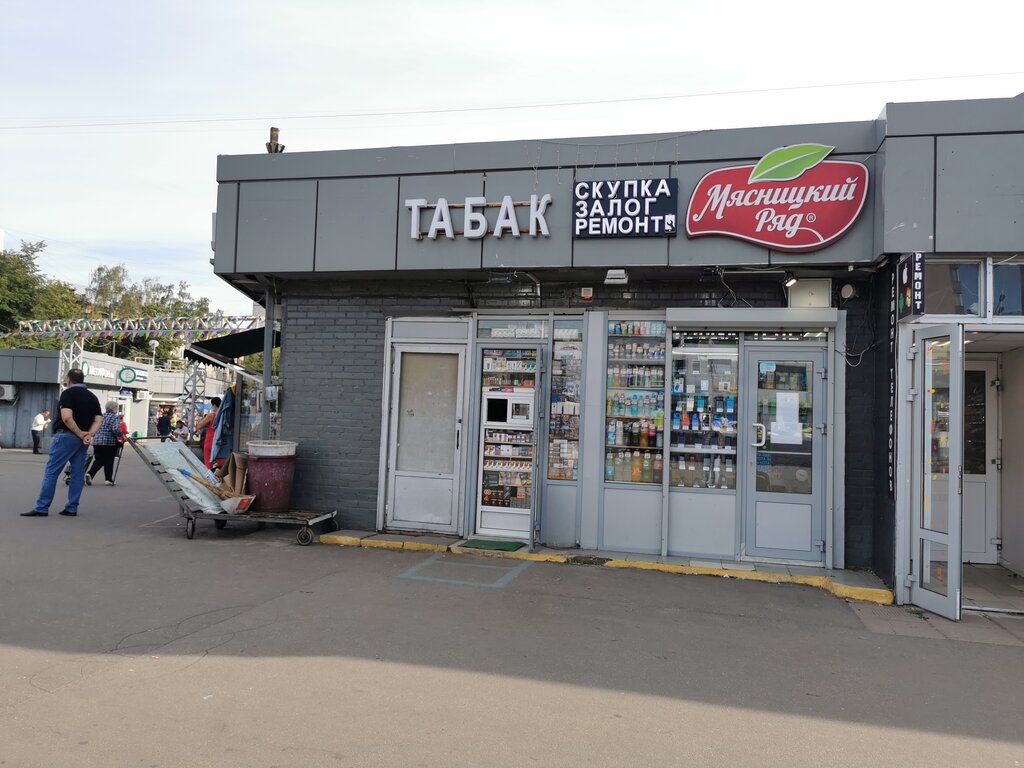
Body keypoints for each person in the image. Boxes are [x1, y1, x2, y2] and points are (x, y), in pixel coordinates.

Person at [22, 368, 102, 518]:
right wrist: (88, 434)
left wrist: (79, 433)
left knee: (52, 472)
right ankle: (72, 508)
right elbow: (99, 419)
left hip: (66, 436)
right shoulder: (92, 397)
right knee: (77, 473)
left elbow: (66, 417)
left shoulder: (68, 393)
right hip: (83, 440)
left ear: (69, 380)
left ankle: (42, 507)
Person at [86, 401, 123, 486]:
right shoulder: (115, 417)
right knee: (109, 460)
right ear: (113, 408)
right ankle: (108, 479)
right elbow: (115, 429)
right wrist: (121, 435)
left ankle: (90, 474)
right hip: (109, 442)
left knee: (99, 459)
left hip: (97, 441)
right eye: (116, 407)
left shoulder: (101, 416)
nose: (117, 409)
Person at [195, 396, 221, 468]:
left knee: (209, 463)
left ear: (214, 405)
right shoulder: (224, 415)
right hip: (221, 441)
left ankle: (210, 475)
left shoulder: (212, 415)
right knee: (220, 463)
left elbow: (199, 426)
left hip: (211, 440)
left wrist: (199, 422)